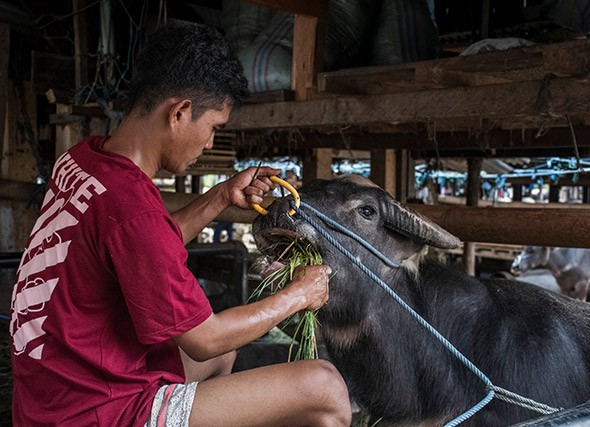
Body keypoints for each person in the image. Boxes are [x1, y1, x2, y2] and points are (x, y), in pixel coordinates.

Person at [10, 22, 351, 426]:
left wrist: (221, 196)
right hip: (93, 413)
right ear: (180, 112)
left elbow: (145, 244)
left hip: (53, 391)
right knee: (324, 387)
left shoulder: (85, 160)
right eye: (213, 127)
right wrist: (299, 294)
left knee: (225, 354)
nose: (210, 143)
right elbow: (205, 339)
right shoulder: (133, 209)